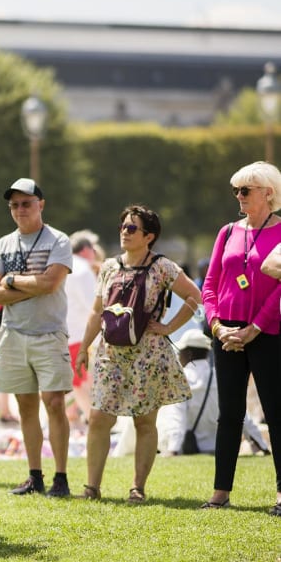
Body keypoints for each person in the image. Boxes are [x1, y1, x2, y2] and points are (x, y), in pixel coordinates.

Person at [75, 204, 201, 503]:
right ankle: (92, 488)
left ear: (149, 236)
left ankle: (137, 488)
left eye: (132, 228)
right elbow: (96, 312)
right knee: (98, 418)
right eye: (123, 226)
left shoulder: (162, 266)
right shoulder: (108, 267)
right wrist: (83, 349)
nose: (124, 232)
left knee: (144, 422)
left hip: (149, 354)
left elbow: (195, 296)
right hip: (110, 353)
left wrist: (169, 327)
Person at [0, 178, 74, 497]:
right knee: (25, 406)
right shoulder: (2, 245)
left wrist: (10, 282)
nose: (20, 209)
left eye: (26, 203)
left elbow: (50, 284)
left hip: (49, 334)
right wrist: (26, 285)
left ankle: (60, 478)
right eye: (14, 205)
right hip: (13, 335)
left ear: (41, 205)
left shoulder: (58, 240)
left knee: (54, 402)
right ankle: (34, 475)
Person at [201, 161, 281, 515]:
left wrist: (256, 328)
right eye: (236, 190)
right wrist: (218, 327)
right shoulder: (227, 231)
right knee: (229, 413)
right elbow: (209, 285)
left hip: (269, 331)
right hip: (227, 331)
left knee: (276, 413)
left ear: (268, 193)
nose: (239, 196)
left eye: (245, 190)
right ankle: (221, 491)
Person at [158, 329, 269, 456]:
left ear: (188, 353)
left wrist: (173, 449)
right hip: (217, 447)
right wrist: (262, 445)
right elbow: (242, 416)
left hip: (189, 448)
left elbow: (177, 417)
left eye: (180, 352)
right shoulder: (221, 376)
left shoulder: (182, 379)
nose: (178, 356)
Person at [64, 231, 100, 428]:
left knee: (80, 382)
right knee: (81, 383)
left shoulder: (64, 266)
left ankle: (92, 419)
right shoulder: (82, 269)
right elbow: (93, 305)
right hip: (80, 333)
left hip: (69, 333)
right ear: (86, 250)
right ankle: (94, 422)